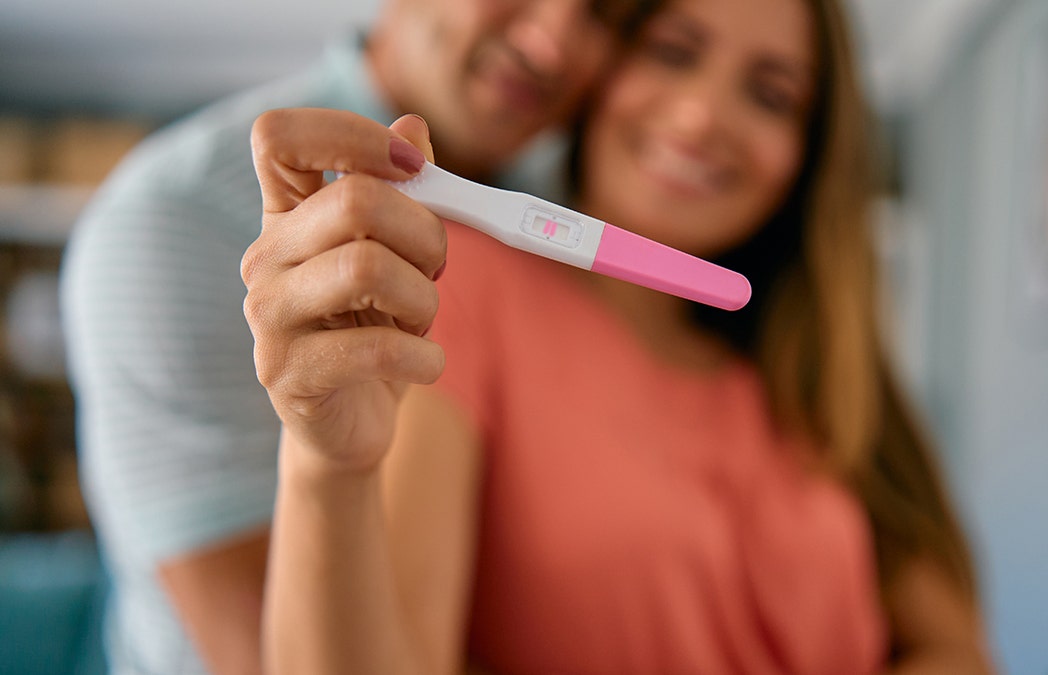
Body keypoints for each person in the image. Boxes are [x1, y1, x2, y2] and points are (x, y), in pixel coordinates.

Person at [243, 0, 999, 672]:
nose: (701, 116)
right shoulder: (460, 289)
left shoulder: (816, 367)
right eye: (672, 52)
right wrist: (327, 467)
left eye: (771, 95)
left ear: (808, 153)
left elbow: (957, 651)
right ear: (594, 77)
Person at [60, 1, 657, 673]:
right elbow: (264, 659)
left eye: (605, 14)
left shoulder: (568, 207)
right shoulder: (171, 225)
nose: (553, 46)